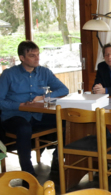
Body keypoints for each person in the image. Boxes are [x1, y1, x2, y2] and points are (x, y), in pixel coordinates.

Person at [0, 41, 69, 175]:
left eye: (38, 55)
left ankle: (57, 157)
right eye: (32, 55)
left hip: (37, 114)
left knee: (67, 120)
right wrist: (19, 105)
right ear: (22, 57)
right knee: (24, 128)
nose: (37, 58)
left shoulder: (44, 72)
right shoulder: (9, 74)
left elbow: (63, 89)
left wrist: (44, 97)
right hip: (14, 115)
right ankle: (27, 173)